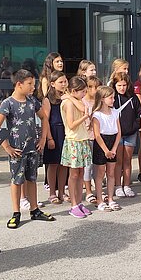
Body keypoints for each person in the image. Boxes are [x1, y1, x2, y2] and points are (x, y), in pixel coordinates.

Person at [0, 69, 55, 229]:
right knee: (16, 180)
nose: (33, 87)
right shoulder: (8, 103)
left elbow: (44, 118)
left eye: (33, 84)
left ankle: (35, 210)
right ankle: (16, 212)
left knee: (32, 178)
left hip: (32, 148)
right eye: (30, 84)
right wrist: (6, 147)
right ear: (19, 84)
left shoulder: (32, 101)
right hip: (16, 150)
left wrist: (42, 139)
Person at [61, 76, 94, 219]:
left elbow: (83, 107)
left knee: (81, 173)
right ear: (74, 90)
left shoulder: (74, 100)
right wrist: (84, 117)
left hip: (82, 139)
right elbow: (71, 124)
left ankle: (80, 202)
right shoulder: (68, 103)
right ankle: (73, 204)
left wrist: (71, 96)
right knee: (74, 174)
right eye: (82, 92)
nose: (84, 94)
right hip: (73, 140)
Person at [91, 85, 122, 211]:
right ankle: (99, 199)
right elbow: (97, 135)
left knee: (111, 173)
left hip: (112, 142)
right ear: (103, 99)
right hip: (101, 144)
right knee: (100, 173)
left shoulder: (115, 112)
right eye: (111, 98)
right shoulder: (97, 115)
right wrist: (106, 151)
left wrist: (114, 149)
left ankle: (110, 198)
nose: (113, 100)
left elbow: (119, 132)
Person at [112, 72, 141, 198]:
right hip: (117, 134)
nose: (122, 88)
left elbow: (139, 114)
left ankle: (127, 185)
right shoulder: (112, 98)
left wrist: (133, 127)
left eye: (124, 85)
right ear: (115, 85)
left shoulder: (133, 98)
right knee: (118, 161)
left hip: (130, 133)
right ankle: (118, 185)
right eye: (119, 85)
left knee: (127, 160)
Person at [42, 71, 69, 205]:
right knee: (53, 164)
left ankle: (62, 192)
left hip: (66, 132)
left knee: (64, 164)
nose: (64, 84)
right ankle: (52, 192)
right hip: (54, 131)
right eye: (60, 82)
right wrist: (49, 138)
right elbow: (45, 120)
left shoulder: (68, 97)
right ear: (52, 84)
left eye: (65, 81)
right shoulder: (48, 99)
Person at [82, 76, 100, 204]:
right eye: (90, 87)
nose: (94, 90)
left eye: (96, 87)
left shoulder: (99, 102)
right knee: (87, 166)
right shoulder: (82, 102)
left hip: (99, 136)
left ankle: (99, 190)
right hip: (87, 136)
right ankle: (88, 191)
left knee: (98, 166)